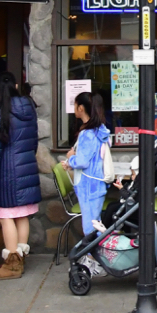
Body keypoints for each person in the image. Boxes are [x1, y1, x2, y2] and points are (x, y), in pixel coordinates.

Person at [0, 72, 40, 281]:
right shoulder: (29, 108)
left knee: (5, 215)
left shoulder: (1, 112)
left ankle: (12, 265)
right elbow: (34, 141)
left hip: (7, 171)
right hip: (26, 167)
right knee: (22, 214)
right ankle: (21, 257)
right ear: (16, 85)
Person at [64, 92, 113, 235]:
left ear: (81, 108)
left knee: (90, 227)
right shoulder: (100, 130)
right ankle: (96, 255)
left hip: (88, 185)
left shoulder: (87, 133)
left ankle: (92, 256)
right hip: (97, 183)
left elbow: (82, 161)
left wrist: (71, 158)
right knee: (95, 223)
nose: (74, 108)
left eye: (75, 104)